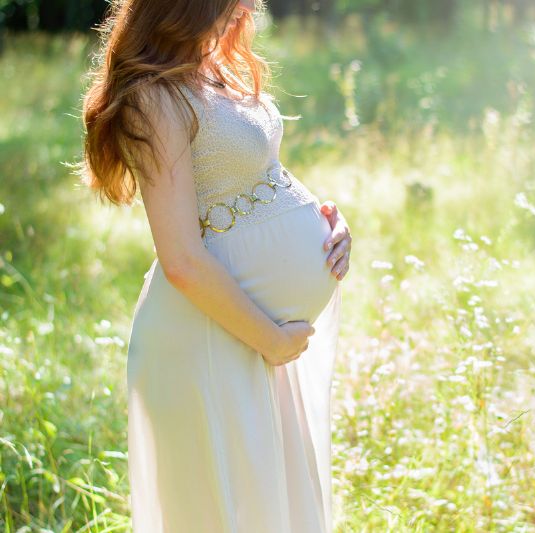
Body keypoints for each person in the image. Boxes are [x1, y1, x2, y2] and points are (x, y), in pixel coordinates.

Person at [78, 1, 352, 531]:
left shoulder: (211, 69)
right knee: (224, 514)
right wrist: (270, 340)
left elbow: (254, 168)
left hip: (255, 338)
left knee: (276, 508)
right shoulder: (153, 99)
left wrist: (328, 222)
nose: (247, 8)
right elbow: (180, 257)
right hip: (209, 338)